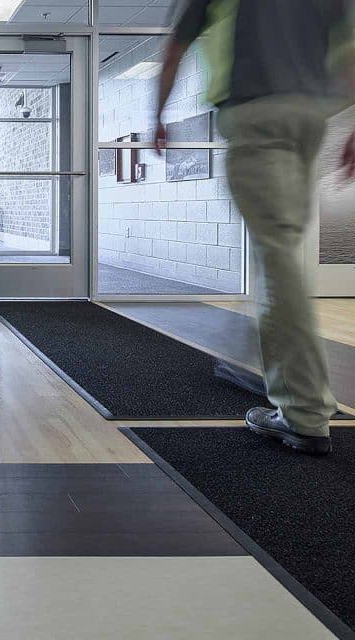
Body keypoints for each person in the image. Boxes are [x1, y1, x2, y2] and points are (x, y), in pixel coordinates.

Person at [156, 0, 354, 455]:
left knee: (277, 258)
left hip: (255, 118)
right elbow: (348, 50)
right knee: (279, 254)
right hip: (307, 121)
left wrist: (158, 114)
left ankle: (303, 411)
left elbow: (176, 47)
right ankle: (269, 366)